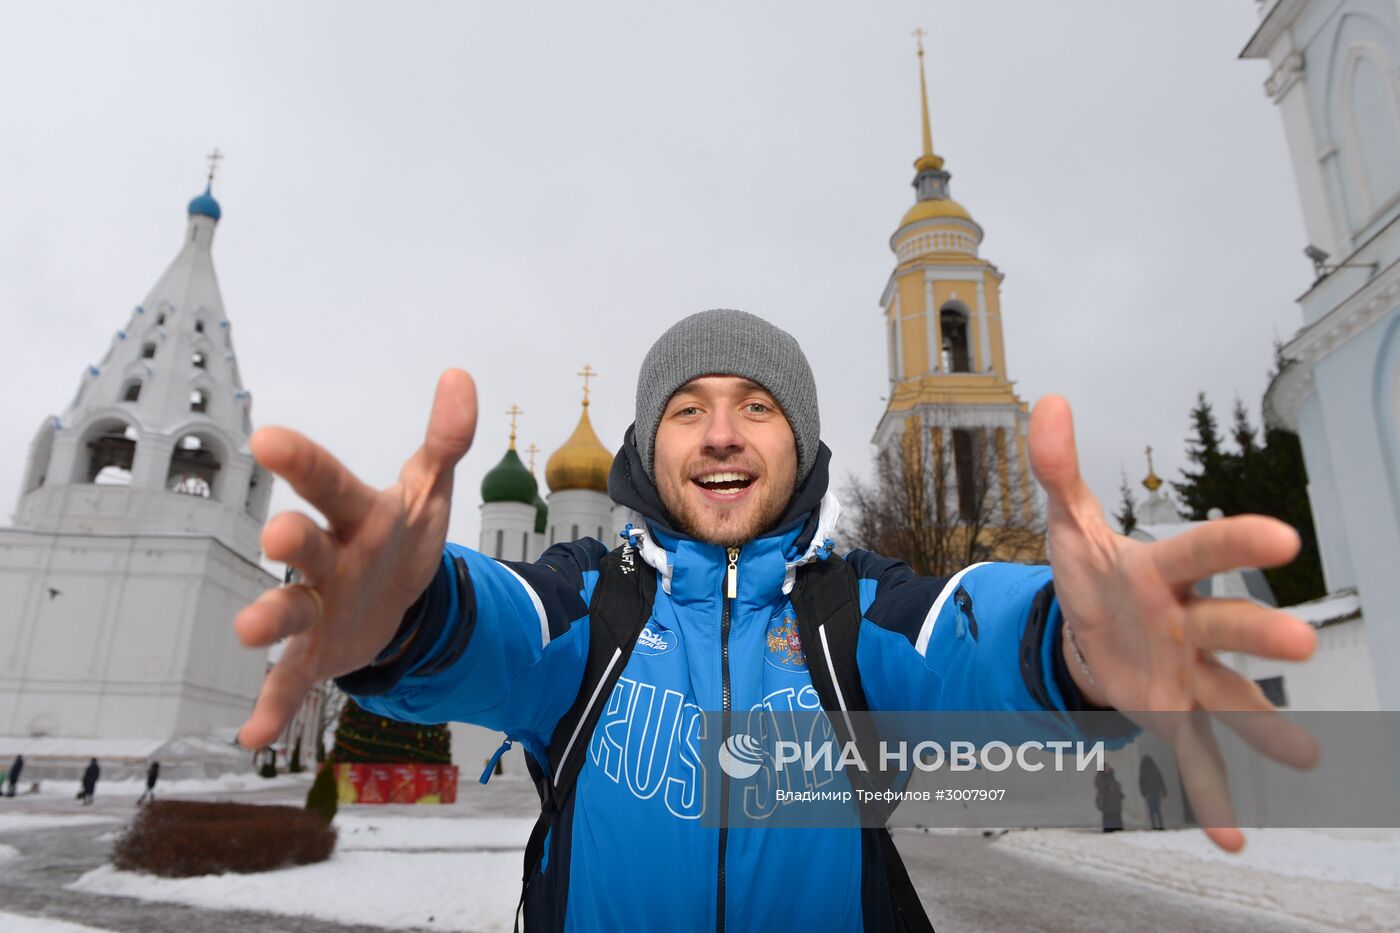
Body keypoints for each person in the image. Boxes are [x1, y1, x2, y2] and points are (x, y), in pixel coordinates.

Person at [233, 309, 1317, 931]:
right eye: (687, 409)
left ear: (799, 449)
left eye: (755, 408)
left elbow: (965, 644)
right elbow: (495, 626)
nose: (720, 435)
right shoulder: (593, 600)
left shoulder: (854, 607)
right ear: (644, 450)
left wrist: (1071, 652)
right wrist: (407, 617)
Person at [1139, 754, 1168, 830]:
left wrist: (1143, 792)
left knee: (1151, 810)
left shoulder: (1143, 772)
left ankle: (1154, 826)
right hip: (1156, 791)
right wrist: (1164, 791)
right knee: (1157, 809)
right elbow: (1161, 782)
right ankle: (1161, 825)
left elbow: (1141, 783)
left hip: (1149, 792)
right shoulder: (1156, 771)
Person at [1095, 764, 1124, 833]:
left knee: (1115, 817)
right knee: (1109, 817)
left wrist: (1119, 794)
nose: (1107, 769)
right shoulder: (1100, 778)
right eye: (1105, 768)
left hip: (1115, 803)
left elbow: (1115, 787)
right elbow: (1100, 788)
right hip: (1106, 802)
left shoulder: (1111, 776)